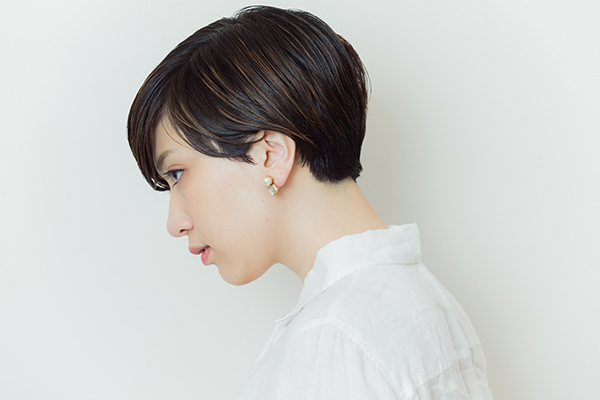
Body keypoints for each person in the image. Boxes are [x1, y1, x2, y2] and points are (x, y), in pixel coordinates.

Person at [127, 5, 493, 399]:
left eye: (178, 173)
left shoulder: (333, 336)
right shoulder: (423, 303)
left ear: (270, 155)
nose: (175, 223)